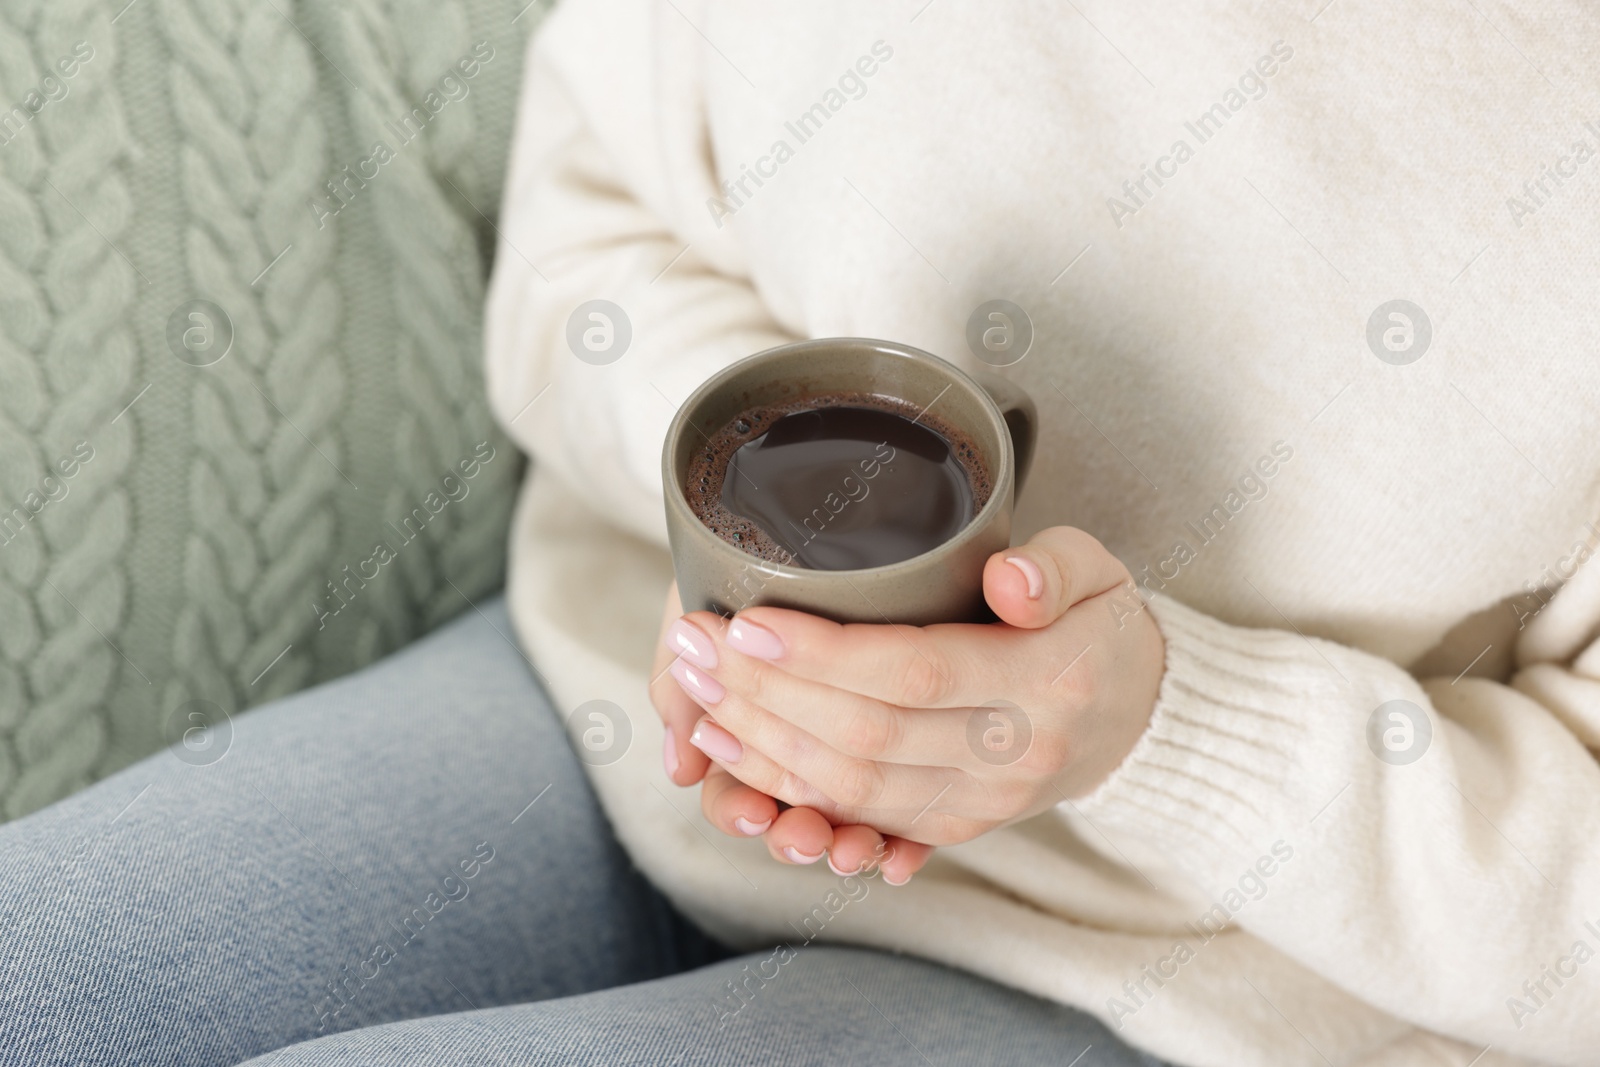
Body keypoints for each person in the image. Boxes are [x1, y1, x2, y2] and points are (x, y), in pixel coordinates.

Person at [4, 2, 1597, 1066]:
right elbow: (588, 230)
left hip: (1161, 984)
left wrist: (1154, 731)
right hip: (610, 694)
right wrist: (740, 540)